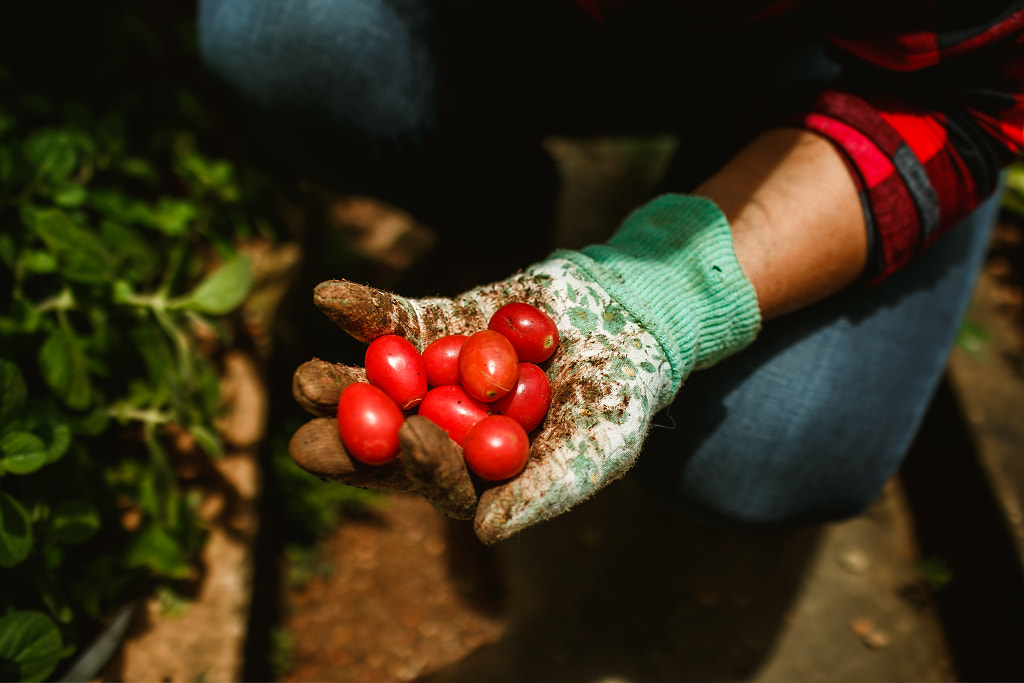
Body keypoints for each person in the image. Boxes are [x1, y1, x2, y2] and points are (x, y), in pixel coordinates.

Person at [196, 0, 1024, 544]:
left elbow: (972, 101)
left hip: (850, 58)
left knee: (767, 444)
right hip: (583, 24)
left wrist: (667, 294)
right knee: (285, 33)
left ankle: (738, 137)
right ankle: (498, 211)